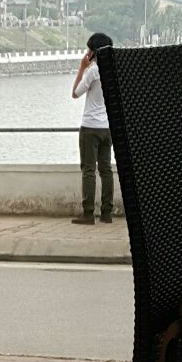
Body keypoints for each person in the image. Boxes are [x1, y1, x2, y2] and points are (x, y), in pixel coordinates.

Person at [71, 31, 114, 225]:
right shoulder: (112, 71)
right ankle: (107, 213)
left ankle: (88, 213)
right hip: (107, 127)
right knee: (106, 170)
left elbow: (75, 93)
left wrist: (82, 68)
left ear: (94, 52)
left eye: (89, 49)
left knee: (89, 170)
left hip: (90, 127)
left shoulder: (93, 71)